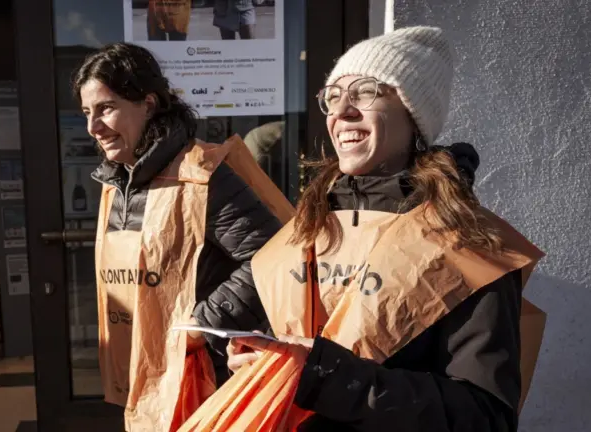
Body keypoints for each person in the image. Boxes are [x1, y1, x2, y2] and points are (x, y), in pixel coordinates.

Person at [227, 26, 536, 431]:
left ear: (413, 114)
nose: (341, 113)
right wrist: (261, 360)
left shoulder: (468, 243)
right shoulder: (308, 224)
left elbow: (485, 417)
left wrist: (328, 376)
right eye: (333, 97)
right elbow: (296, 343)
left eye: (366, 92)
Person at [73, 42, 281, 429]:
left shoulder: (202, 174)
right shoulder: (117, 183)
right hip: (149, 375)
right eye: (87, 112)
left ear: (148, 104)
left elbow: (272, 256)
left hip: (205, 378)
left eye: (106, 108)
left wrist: (202, 324)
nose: (92, 127)